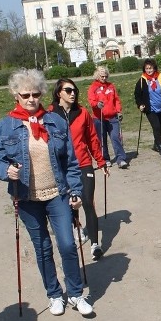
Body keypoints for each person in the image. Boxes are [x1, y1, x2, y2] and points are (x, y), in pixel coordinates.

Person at [0, 69, 93, 317]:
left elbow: (71, 161)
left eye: (36, 94)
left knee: (68, 245)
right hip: (27, 199)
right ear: (16, 95)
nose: (31, 99)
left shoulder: (55, 121)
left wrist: (75, 190)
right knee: (43, 248)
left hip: (57, 194)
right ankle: (55, 294)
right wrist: (7, 170)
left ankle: (76, 294)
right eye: (25, 94)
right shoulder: (6, 125)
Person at [50, 78, 109, 261]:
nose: (73, 93)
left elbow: (92, 139)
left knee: (87, 202)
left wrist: (101, 161)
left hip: (83, 163)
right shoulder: (50, 114)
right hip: (61, 166)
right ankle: (76, 229)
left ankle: (95, 244)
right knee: (68, 203)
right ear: (59, 93)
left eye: (74, 90)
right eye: (68, 90)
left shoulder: (82, 113)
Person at [88, 66, 128, 169]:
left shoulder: (111, 86)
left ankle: (121, 159)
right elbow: (91, 101)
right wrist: (97, 104)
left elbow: (116, 100)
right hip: (99, 117)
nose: (104, 78)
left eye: (106, 76)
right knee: (101, 139)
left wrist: (119, 111)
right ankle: (105, 159)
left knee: (115, 137)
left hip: (112, 117)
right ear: (98, 76)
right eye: (102, 76)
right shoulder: (93, 87)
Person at [134, 58, 161, 158]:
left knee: (159, 128)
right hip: (150, 108)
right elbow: (137, 94)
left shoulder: (160, 77)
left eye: (150, 68)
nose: (149, 70)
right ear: (144, 69)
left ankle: (156, 144)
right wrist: (140, 104)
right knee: (156, 126)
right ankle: (160, 146)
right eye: (147, 68)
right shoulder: (142, 80)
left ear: (154, 68)